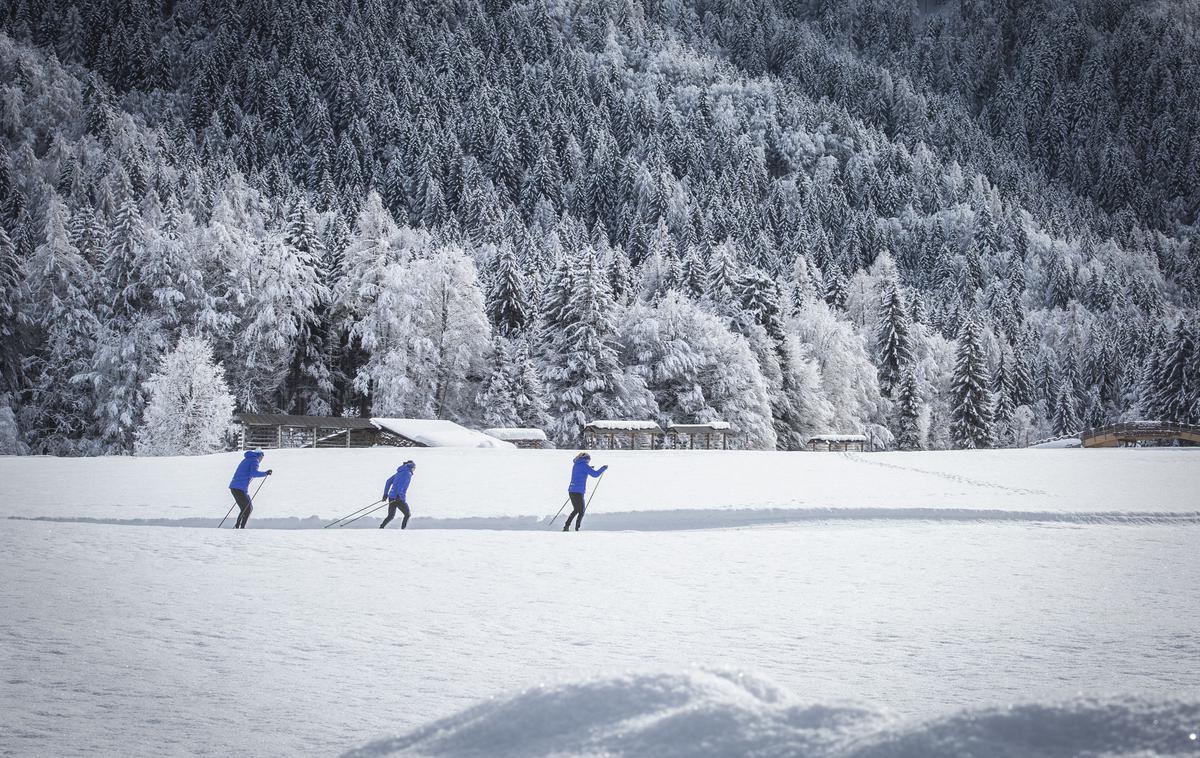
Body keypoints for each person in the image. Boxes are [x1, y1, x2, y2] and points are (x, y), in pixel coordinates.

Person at [228, 449, 272, 529]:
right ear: (260, 456)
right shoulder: (254, 460)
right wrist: (265, 473)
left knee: (246, 508)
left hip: (237, 487)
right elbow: (253, 473)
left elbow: (247, 473)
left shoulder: (248, 459)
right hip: (239, 488)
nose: (261, 460)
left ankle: (238, 527)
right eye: (262, 457)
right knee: (247, 509)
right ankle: (240, 528)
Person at [564, 452, 606, 532]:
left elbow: (582, 471)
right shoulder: (584, 465)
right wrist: (603, 468)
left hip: (572, 490)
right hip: (578, 491)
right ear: (586, 459)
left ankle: (567, 526)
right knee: (581, 510)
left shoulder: (576, 464)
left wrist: (589, 468)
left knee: (576, 510)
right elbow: (595, 474)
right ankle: (577, 528)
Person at [380, 460, 416, 529]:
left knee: (391, 516)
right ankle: (403, 530)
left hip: (391, 496)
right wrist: (401, 497)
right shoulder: (407, 474)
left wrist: (385, 494)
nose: (414, 470)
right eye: (414, 468)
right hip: (398, 498)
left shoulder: (399, 472)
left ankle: (381, 528)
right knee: (407, 514)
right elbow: (400, 487)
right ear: (411, 467)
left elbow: (388, 482)